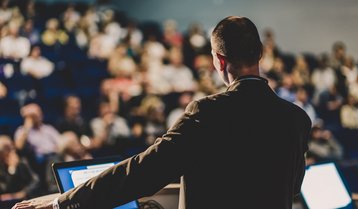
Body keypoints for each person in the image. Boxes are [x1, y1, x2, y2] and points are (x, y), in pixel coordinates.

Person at [12, 16, 311, 209]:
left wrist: (62, 203)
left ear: (219, 61)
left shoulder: (208, 112)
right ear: (259, 53)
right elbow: (293, 186)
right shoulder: (297, 118)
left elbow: (144, 171)